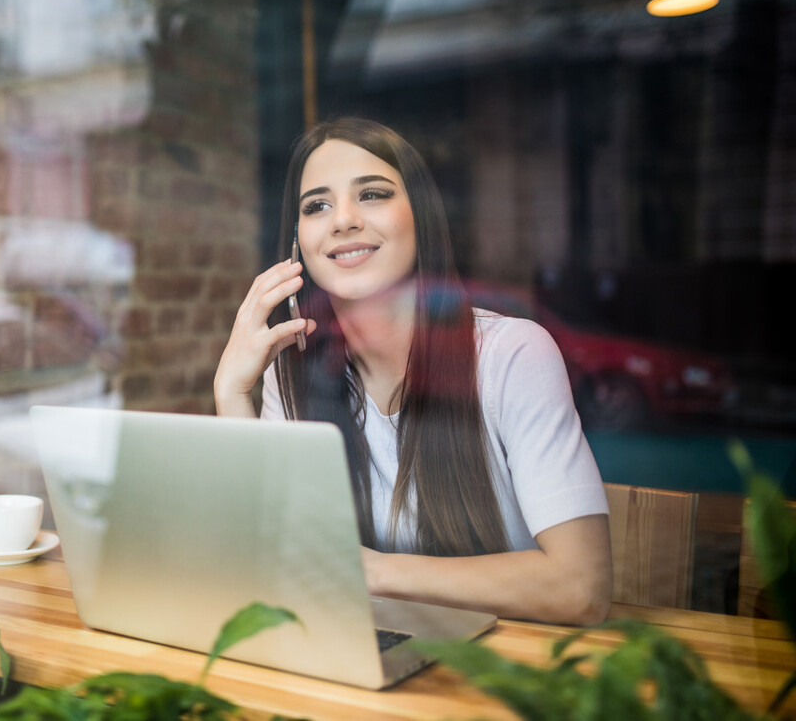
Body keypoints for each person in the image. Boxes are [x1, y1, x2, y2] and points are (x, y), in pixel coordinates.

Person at [214, 117, 612, 625]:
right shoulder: (289, 376)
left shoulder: (511, 355)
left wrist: (372, 572)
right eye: (317, 205)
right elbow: (263, 568)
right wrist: (232, 391)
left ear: (421, 217)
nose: (343, 221)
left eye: (373, 194)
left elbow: (581, 589)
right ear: (298, 246)